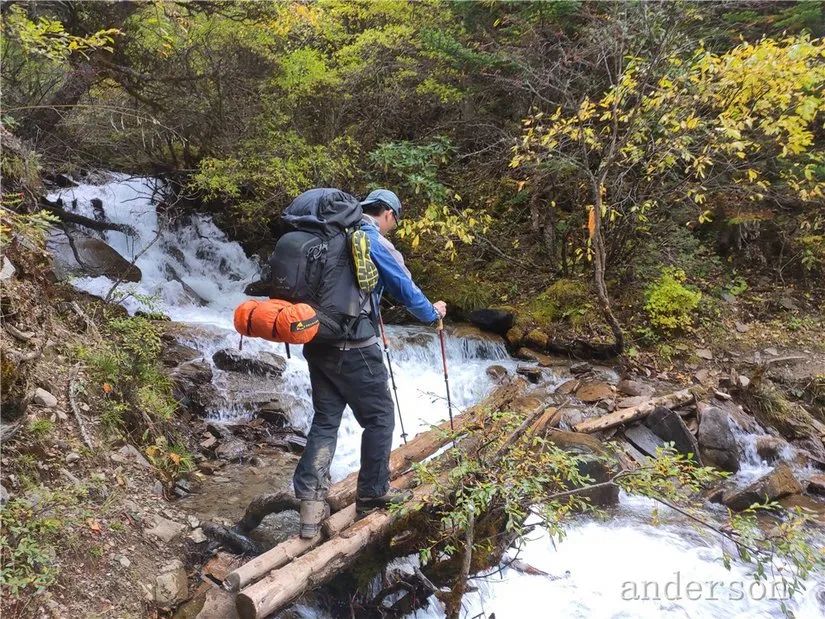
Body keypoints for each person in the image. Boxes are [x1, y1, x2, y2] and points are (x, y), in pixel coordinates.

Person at [294, 188, 447, 538]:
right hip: (354, 345)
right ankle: (373, 493)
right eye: (396, 220)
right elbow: (404, 288)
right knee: (379, 417)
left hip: (317, 340)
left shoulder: (327, 234)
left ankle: (309, 508)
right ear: (389, 214)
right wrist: (431, 313)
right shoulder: (369, 238)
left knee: (326, 421)